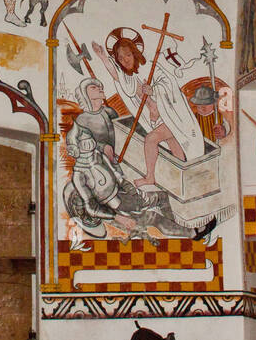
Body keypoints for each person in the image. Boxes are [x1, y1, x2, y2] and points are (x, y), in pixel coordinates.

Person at [63, 78, 217, 241]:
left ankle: (177, 232)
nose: (87, 144)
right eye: (83, 142)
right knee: (152, 218)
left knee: (161, 197)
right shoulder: (79, 173)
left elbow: (117, 175)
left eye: (88, 141)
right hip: (114, 208)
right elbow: (91, 206)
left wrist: (130, 189)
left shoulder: (101, 146)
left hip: (123, 193)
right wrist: (118, 218)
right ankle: (191, 233)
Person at [94, 29, 204, 187]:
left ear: (134, 53)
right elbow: (116, 75)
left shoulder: (151, 68)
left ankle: (150, 177)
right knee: (174, 145)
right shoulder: (129, 78)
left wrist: (154, 90)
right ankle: (184, 179)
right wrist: (103, 57)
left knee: (151, 139)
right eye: (120, 58)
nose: (125, 60)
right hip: (158, 120)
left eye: (128, 55)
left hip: (173, 117)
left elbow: (169, 84)